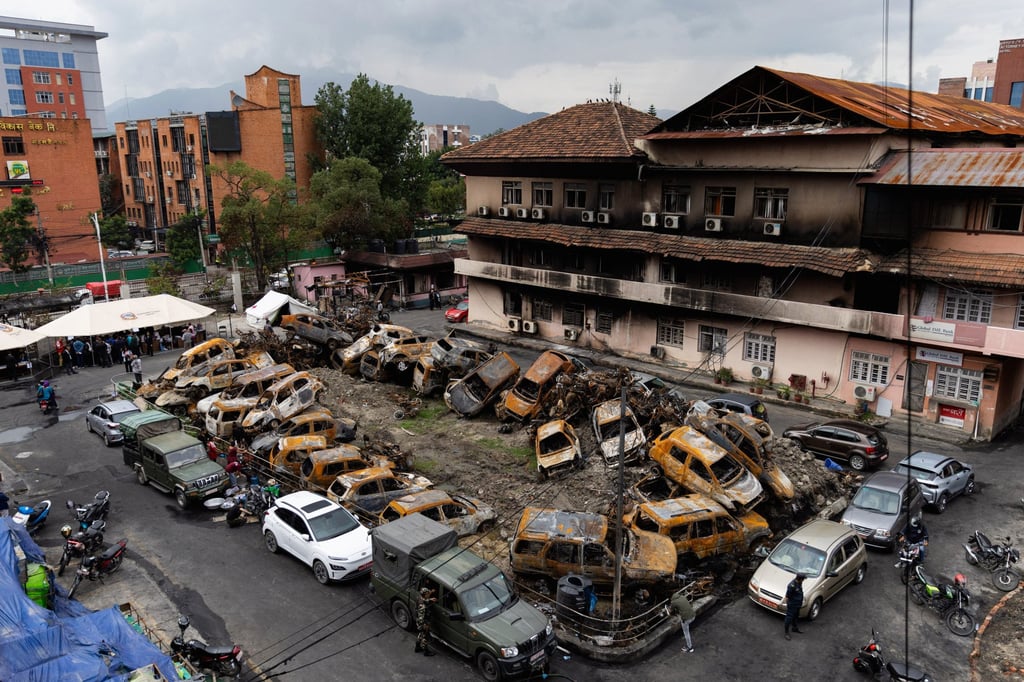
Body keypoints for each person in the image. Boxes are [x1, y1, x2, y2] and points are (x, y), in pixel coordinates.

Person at [414, 587, 437, 656]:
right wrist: (424, 625)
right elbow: (421, 617)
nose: (429, 594)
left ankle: (417, 647)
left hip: (419, 621)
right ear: (425, 595)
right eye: (428, 594)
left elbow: (424, 599)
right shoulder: (422, 606)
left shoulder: (419, 598)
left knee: (420, 635)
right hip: (423, 623)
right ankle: (426, 651)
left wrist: (430, 596)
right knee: (425, 637)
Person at [784, 574, 805, 640]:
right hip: (792, 605)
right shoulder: (791, 586)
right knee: (789, 618)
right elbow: (787, 597)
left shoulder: (799, 583)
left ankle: (794, 628)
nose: (803, 581)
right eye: (803, 579)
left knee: (796, 616)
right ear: (800, 579)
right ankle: (786, 633)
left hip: (798, 604)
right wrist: (789, 605)